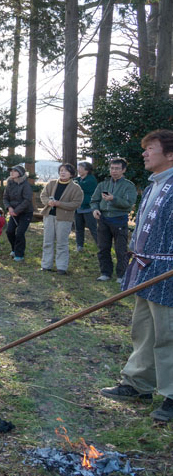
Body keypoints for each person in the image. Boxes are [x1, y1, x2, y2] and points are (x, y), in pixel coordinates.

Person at [99, 130, 173, 422]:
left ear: (170, 154)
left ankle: (171, 395)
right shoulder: (156, 183)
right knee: (144, 329)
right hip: (146, 269)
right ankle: (138, 383)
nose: (144, 154)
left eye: (150, 149)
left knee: (168, 335)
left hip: (168, 273)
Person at [90, 157, 137, 282]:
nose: (114, 171)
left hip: (119, 219)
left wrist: (113, 199)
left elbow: (129, 203)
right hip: (103, 219)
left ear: (123, 170)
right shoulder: (103, 184)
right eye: (112, 168)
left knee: (121, 249)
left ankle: (122, 275)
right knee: (103, 247)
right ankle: (105, 273)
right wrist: (95, 209)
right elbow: (94, 200)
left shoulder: (128, 186)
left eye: (117, 168)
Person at [39, 163, 83, 275]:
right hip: (49, 216)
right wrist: (48, 202)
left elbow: (76, 203)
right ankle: (46, 265)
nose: (63, 173)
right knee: (47, 241)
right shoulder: (52, 183)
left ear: (72, 174)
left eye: (66, 171)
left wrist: (60, 204)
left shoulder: (76, 188)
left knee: (62, 243)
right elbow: (43, 196)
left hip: (64, 218)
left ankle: (61, 267)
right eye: (61, 170)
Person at [3, 165, 33, 262]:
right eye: (11, 171)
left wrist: (16, 211)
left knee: (20, 233)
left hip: (25, 212)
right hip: (13, 212)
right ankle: (14, 249)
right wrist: (9, 208)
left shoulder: (26, 185)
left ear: (20, 173)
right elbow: (5, 198)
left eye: (14, 171)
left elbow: (27, 200)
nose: (12, 172)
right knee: (9, 231)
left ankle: (19, 254)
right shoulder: (9, 183)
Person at [74, 161, 99, 252]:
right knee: (79, 228)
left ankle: (101, 245)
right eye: (78, 168)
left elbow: (80, 187)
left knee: (93, 228)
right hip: (78, 207)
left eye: (81, 168)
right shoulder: (78, 179)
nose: (79, 170)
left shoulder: (91, 179)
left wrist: (74, 183)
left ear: (87, 170)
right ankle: (79, 246)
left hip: (88, 207)